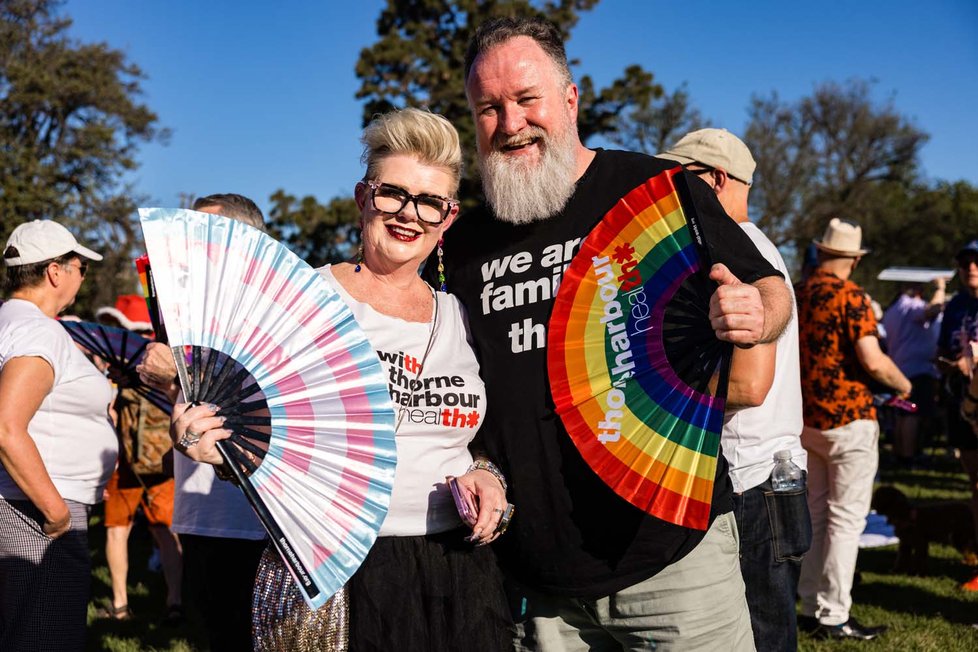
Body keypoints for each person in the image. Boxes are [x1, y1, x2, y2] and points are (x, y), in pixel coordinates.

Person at [430, 16, 792, 650]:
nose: (510, 123)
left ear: (570, 99)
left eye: (525, 99)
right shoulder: (461, 245)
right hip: (538, 585)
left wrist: (757, 312)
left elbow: (770, 286)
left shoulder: (656, 187)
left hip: (675, 559)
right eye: (488, 108)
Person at [172, 108, 513, 651]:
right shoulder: (302, 300)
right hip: (338, 570)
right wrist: (213, 446)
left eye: (430, 203)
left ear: (448, 219)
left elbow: (472, 443)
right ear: (362, 198)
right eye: (392, 194)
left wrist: (488, 476)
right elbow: (254, 437)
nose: (409, 215)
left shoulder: (460, 316)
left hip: (455, 570)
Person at [660, 128, 811, 652]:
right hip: (766, 478)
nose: (666, 191)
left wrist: (649, 388)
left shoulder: (742, 251)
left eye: (679, 179)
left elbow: (749, 385)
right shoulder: (751, 244)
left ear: (717, 180)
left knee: (761, 638)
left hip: (752, 484)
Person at [136, 193, 269, 651]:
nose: (188, 245)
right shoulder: (189, 312)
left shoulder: (267, 310)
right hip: (198, 512)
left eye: (202, 233)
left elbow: (268, 392)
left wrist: (176, 370)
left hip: (253, 518)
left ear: (243, 242)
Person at [0, 220, 117, 650]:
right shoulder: (39, 330)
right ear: (55, 271)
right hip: (33, 511)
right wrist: (56, 513)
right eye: (79, 266)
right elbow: (6, 427)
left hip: (24, 501)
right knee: (43, 636)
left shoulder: (12, 322)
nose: (82, 276)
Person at [795, 218, 912, 641]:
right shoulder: (852, 297)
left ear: (822, 252)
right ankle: (834, 614)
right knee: (845, 521)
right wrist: (905, 385)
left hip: (807, 420)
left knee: (816, 513)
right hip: (850, 419)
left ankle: (811, 605)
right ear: (855, 260)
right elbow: (873, 359)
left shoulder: (799, 292)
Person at [94, 295, 183, 623]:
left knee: (155, 531)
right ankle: (137, 604)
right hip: (136, 458)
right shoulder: (132, 362)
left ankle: (168, 602)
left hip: (157, 460)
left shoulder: (161, 361)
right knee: (129, 530)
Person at [936, 239, 978, 590]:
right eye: (965, 262)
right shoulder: (955, 305)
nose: (971, 268)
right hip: (959, 402)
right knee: (975, 483)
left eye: (977, 261)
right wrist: (948, 365)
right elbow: (940, 347)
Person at [881, 279, 945, 466]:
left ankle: (900, 453)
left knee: (903, 412)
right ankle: (908, 456)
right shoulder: (912, 306)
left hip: (900, 371)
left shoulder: (893, 310)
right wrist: (940, 288)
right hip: (917, 372)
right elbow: (933, 310)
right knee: (912, 413)